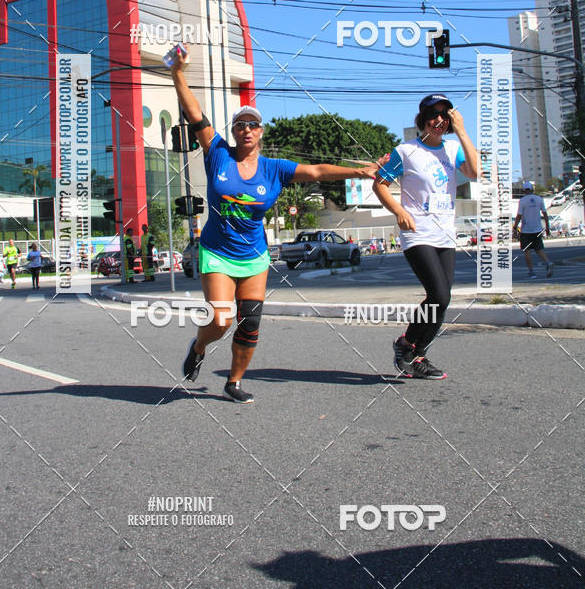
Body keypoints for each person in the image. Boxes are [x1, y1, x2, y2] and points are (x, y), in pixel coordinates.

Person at [171, 45, 377, 403]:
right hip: (217, 252)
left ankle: (233, 382)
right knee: (220, 320)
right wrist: (177, 72)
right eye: (240, 124)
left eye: (253, 124)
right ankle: (200, 347)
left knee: (249, 324)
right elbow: (195, 114)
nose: (246, 129)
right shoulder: (217, 152)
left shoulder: (275, 169)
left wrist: (359, 170)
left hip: (253, 256)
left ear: (261, 132)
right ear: (234, 131)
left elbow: (315, 170)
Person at [374, 94, 479, 379]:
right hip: (417, 232)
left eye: (445, 115)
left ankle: (415, 355)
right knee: (439, 294)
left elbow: (475, 171)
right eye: (433, 115)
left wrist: (462, 131)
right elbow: (380, 184)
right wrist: (398, 210)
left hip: (445, 235)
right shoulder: (406, 151)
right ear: (422, 120)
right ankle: (406, 344)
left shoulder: (454, 148)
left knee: (442, 302)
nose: (439, 120)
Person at [513, 182, 553, 279]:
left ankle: (532, 271)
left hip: (526, 230)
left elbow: (519, 215)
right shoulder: (539, 199)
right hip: (537, 229)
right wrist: (547, 227)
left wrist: (515, 227)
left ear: (523, 190)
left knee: (527, 251)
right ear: (532, 190)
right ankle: (548, 262)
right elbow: (545, 213)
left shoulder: (522, 201)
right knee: (539, 249)